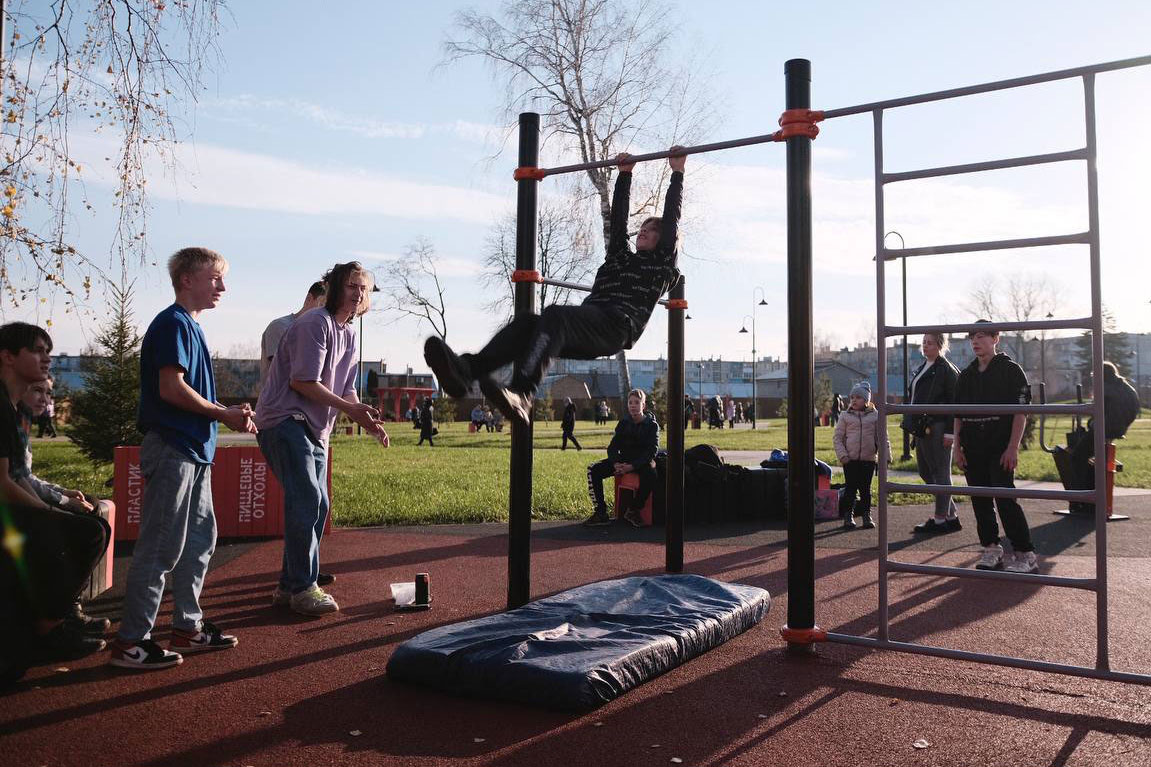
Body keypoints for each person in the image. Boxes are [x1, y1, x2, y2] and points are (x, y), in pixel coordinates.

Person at [424, 147, 687, 427]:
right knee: (527, 324)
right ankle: (467, 371)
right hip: (590, 326)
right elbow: (619, 223)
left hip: (615, 326)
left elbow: (672, 221)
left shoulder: (661, 267)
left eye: (653, 230)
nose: (645, 230)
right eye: (644, 227)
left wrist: (677, 173)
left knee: (555, 316)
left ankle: (522, 392)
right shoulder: (619, 257)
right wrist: (624, 176)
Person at [112, 248, 257, 671]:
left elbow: (188, 390)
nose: (222, 287)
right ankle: (130, 641)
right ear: (187, 279)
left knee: (198, 542)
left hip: (194, 450)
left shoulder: (190, 326)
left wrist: (227, 414)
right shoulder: (172, 323)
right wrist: (221, 413)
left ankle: (186, 628)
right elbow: (171, 390)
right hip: (174, 447)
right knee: (162, 546)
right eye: (215, 278)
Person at [255, 261, 389, 617]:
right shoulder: (314, 324)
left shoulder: (348, 334)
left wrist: (367, 420)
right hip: (284, 420)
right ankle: (302, 587)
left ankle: (288, 586)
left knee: (319, 504)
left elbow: (346, 390)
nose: (358, 294)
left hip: (313, 427)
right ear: (332, 288)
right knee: (307, 498)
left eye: (362, 288)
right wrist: (350, 407)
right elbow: (303, 382)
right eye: (350, 286)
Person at [0, 323, 108, 667]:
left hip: (11, 503)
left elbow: (20, 476)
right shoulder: (2, 407)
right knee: (82, 531)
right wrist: (50, 510)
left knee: (89, 524)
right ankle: (49, 628)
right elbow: (3, 483)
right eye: (38, 351)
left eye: (49, 351)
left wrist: (58, 499)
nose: (47, 358)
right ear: (8, 357)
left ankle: (60, 617)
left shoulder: (13, 408)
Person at [17, 375, 113, 634]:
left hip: (25, 499)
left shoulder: (22, 421)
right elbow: (17, 480)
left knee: (92, 505)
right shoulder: (11, 419)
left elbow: (27, 476)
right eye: (38, 391)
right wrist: (61, 502)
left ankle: (69, 607)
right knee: (92, 530)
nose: (45, 399)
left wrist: (64, 492)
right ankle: (55, 617)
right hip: (15, 507)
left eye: (49, 394)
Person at [953, 321, 1037, 573]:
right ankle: (991, 548)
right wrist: (957, 447)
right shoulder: (966, 375)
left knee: (1005, 497)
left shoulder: (1010, 370)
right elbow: (957, 414)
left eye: (980, 336)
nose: (975, 342)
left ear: (995, 338)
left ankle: (1025, 552)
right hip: (973, 446)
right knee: (980, 500)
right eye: (971, 338)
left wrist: (1013, 447)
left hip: (999, 446)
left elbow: (1021, 413)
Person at [907, 333, 962, 535]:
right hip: (922, 426)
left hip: (938, 426)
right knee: (925, 472)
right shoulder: (924, 367)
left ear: (940, 345)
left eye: (930, 343)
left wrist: (950, 432)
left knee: (940, 472)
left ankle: (940, 520)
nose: (925, 346)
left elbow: (955, 401)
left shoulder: (945, 369)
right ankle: (951, 515)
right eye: (923, 342)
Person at [1068, 360, 1141, 513]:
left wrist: (1092, 424)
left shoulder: (1104, 388)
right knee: (1094, 459)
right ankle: (1090, 496)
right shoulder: (1127, 388)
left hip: (1104, 429)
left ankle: (1080, 498)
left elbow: (1095, 412)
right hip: (1119, 429)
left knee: (1077, 457)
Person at [583, 389, 659, 529]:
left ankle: (633, 510)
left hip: (640, 462)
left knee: (651, 474)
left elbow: (652, 451)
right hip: (622, 461)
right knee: (593, 469)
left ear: (643, 405)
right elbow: (612, 447)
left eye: (637, 402)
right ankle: (601, 512)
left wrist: (633, 466)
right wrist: (616, 463)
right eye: (630, 402)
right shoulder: (623, 423)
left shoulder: (652, 425)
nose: (633, 405)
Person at [833, 381, 889, 530]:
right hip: (850, 460)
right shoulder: (845, 416)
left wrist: (886, 455)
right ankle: (848, 516)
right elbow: (838, 438)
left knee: (866, 489)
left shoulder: (875, 416)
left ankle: (866, 515)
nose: (854, 400)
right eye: (852, 397)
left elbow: (882, 437)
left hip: (868, 459)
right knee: (850, 489)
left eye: (858, 397)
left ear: (866, 400)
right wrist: (842, 455)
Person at [259, 281, 326, 387]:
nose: (324, 313)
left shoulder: (322, 335)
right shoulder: (280, 327)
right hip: (279, 402)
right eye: (322, 305)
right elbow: (282, 372)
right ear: (309, 298)